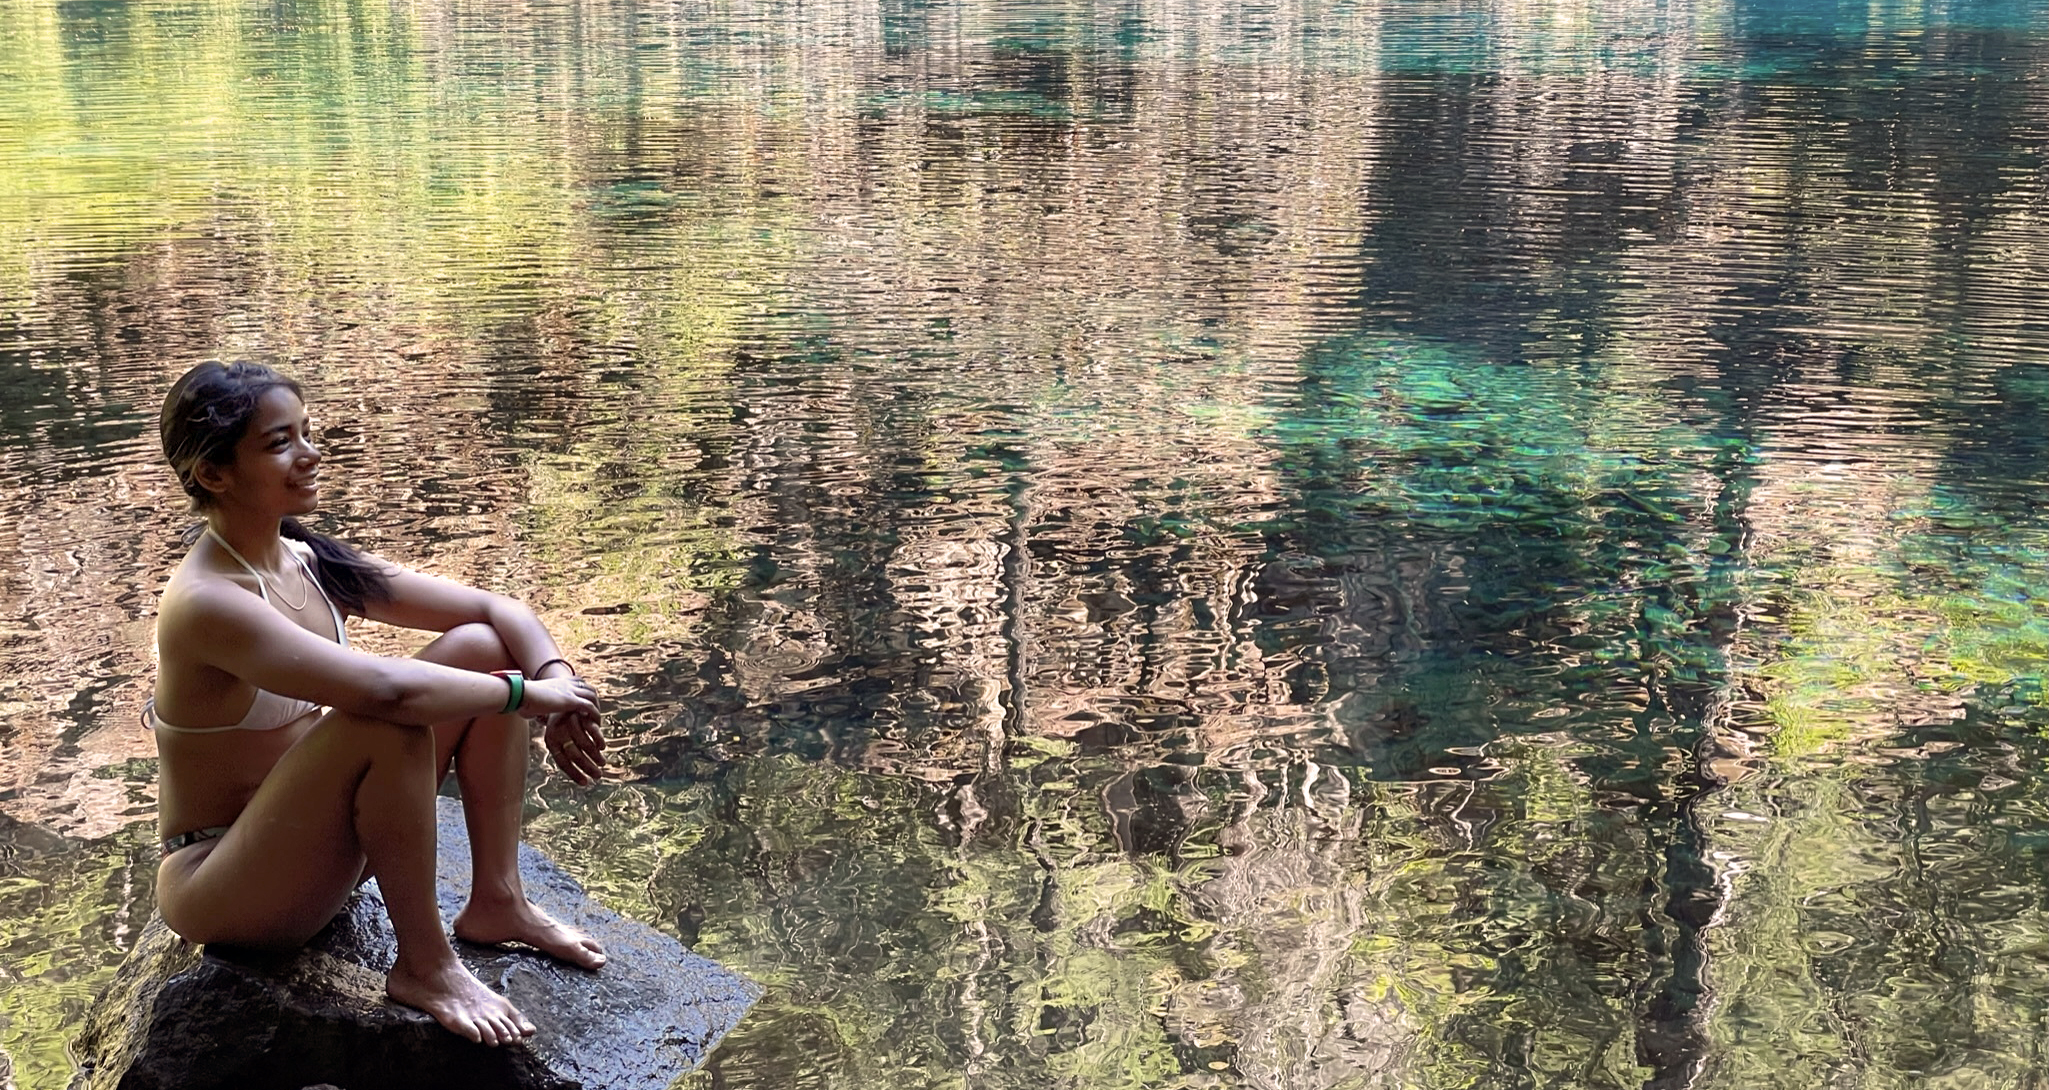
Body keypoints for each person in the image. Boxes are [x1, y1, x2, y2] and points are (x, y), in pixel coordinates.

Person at [149, 360, 610, 1047]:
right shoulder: (207, 601)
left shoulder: (302, 558)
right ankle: (425, 966)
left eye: (306, 433)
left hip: (318, 849)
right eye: (279, 443)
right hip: (226, 885)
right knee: (387, 724)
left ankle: (498, 900)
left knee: (483, 646)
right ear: (214, 474)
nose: (310, 454)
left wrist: (557, 681)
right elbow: (387, 693)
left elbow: (494, 609)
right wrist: (529, 697)